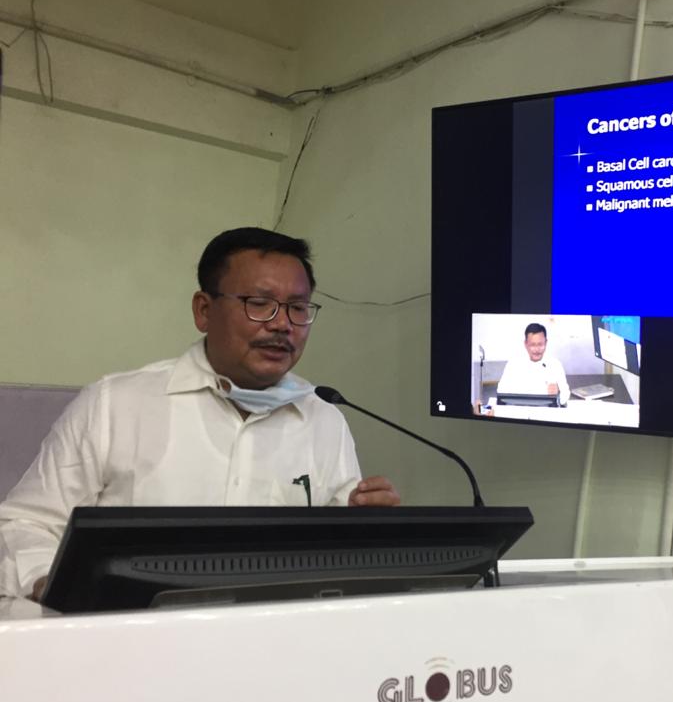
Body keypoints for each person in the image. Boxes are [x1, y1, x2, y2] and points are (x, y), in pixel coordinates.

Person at [0, 227, 399, 601]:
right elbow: (25, 525)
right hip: (130, 635)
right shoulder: (114, 404)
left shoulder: (325, 419)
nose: (282, 324)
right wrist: (54, 587)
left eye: (297, 308)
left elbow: (329, 557)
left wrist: (366, 531)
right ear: (204, 310)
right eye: (259, 304)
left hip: (274, 639)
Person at [496, 322, 570, 406]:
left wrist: (558, 393)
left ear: (546, 343)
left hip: (545, 411)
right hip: (518, 410)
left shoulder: (555, 364)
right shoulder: (513, 364)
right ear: (526, 344)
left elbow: (566, 394)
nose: (537, 349)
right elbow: (501, 391)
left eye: (540, 344)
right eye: (533, 345)